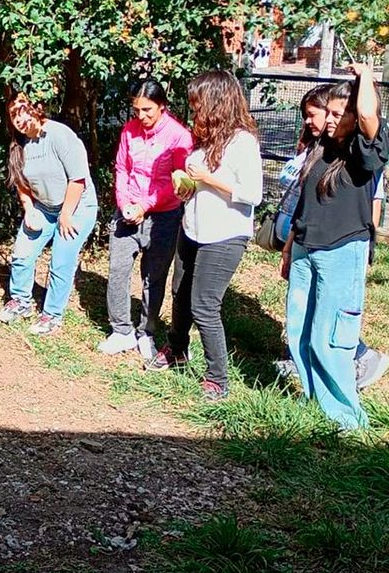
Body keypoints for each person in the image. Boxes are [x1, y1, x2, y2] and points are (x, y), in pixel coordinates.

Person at [146, 70, 263, 402]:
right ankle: (177, 350)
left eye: (198, 101)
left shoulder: (242, 141)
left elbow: (252, 193)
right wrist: (188, 187)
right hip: (194, 228)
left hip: (224, 235)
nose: (193, 107)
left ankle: (216, 378)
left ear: (216, 101)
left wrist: (208, 178)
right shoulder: (208, 136)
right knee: (180, 294)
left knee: (204, 306)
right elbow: (201, 183)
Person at [283, 63, 387, 430]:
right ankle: (316, 403)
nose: (329, 119)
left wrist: (366, 77)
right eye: (328, 111)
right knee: (299, 331)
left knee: (330, 338)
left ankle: (347, 419)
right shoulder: (320, 148)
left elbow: (369, 113)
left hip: (341, 252)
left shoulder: (365, 153)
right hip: (305, 249)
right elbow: (305, 200)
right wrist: (290, 246)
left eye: (338, 114)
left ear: (353, 119)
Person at [99, 80, 192, 357]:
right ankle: (121, 331)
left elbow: (178, 182)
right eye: (137, 110)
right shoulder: (130, 130)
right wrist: (124, 203)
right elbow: (121, 169)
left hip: (163, 216)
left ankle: (146, 332)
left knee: (154, 276)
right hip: (127, 213)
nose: (142, 116)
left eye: (148, 110)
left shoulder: (179, 136)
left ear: (162, 106)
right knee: (117, 271)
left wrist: (146, 204)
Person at [0, 92, 99, 336]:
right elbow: (22, 183)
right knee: (22, 253)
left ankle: (52, 315)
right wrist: (29, 209)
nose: (19, 117)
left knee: (60, 261)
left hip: (77, 205)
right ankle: (21, 300)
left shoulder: (59, 135)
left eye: (23, 109)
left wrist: (66, 214)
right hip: (43, 207)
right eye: (13, 114)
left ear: (36, 107)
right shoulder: (19, 145)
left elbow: (78, 179)